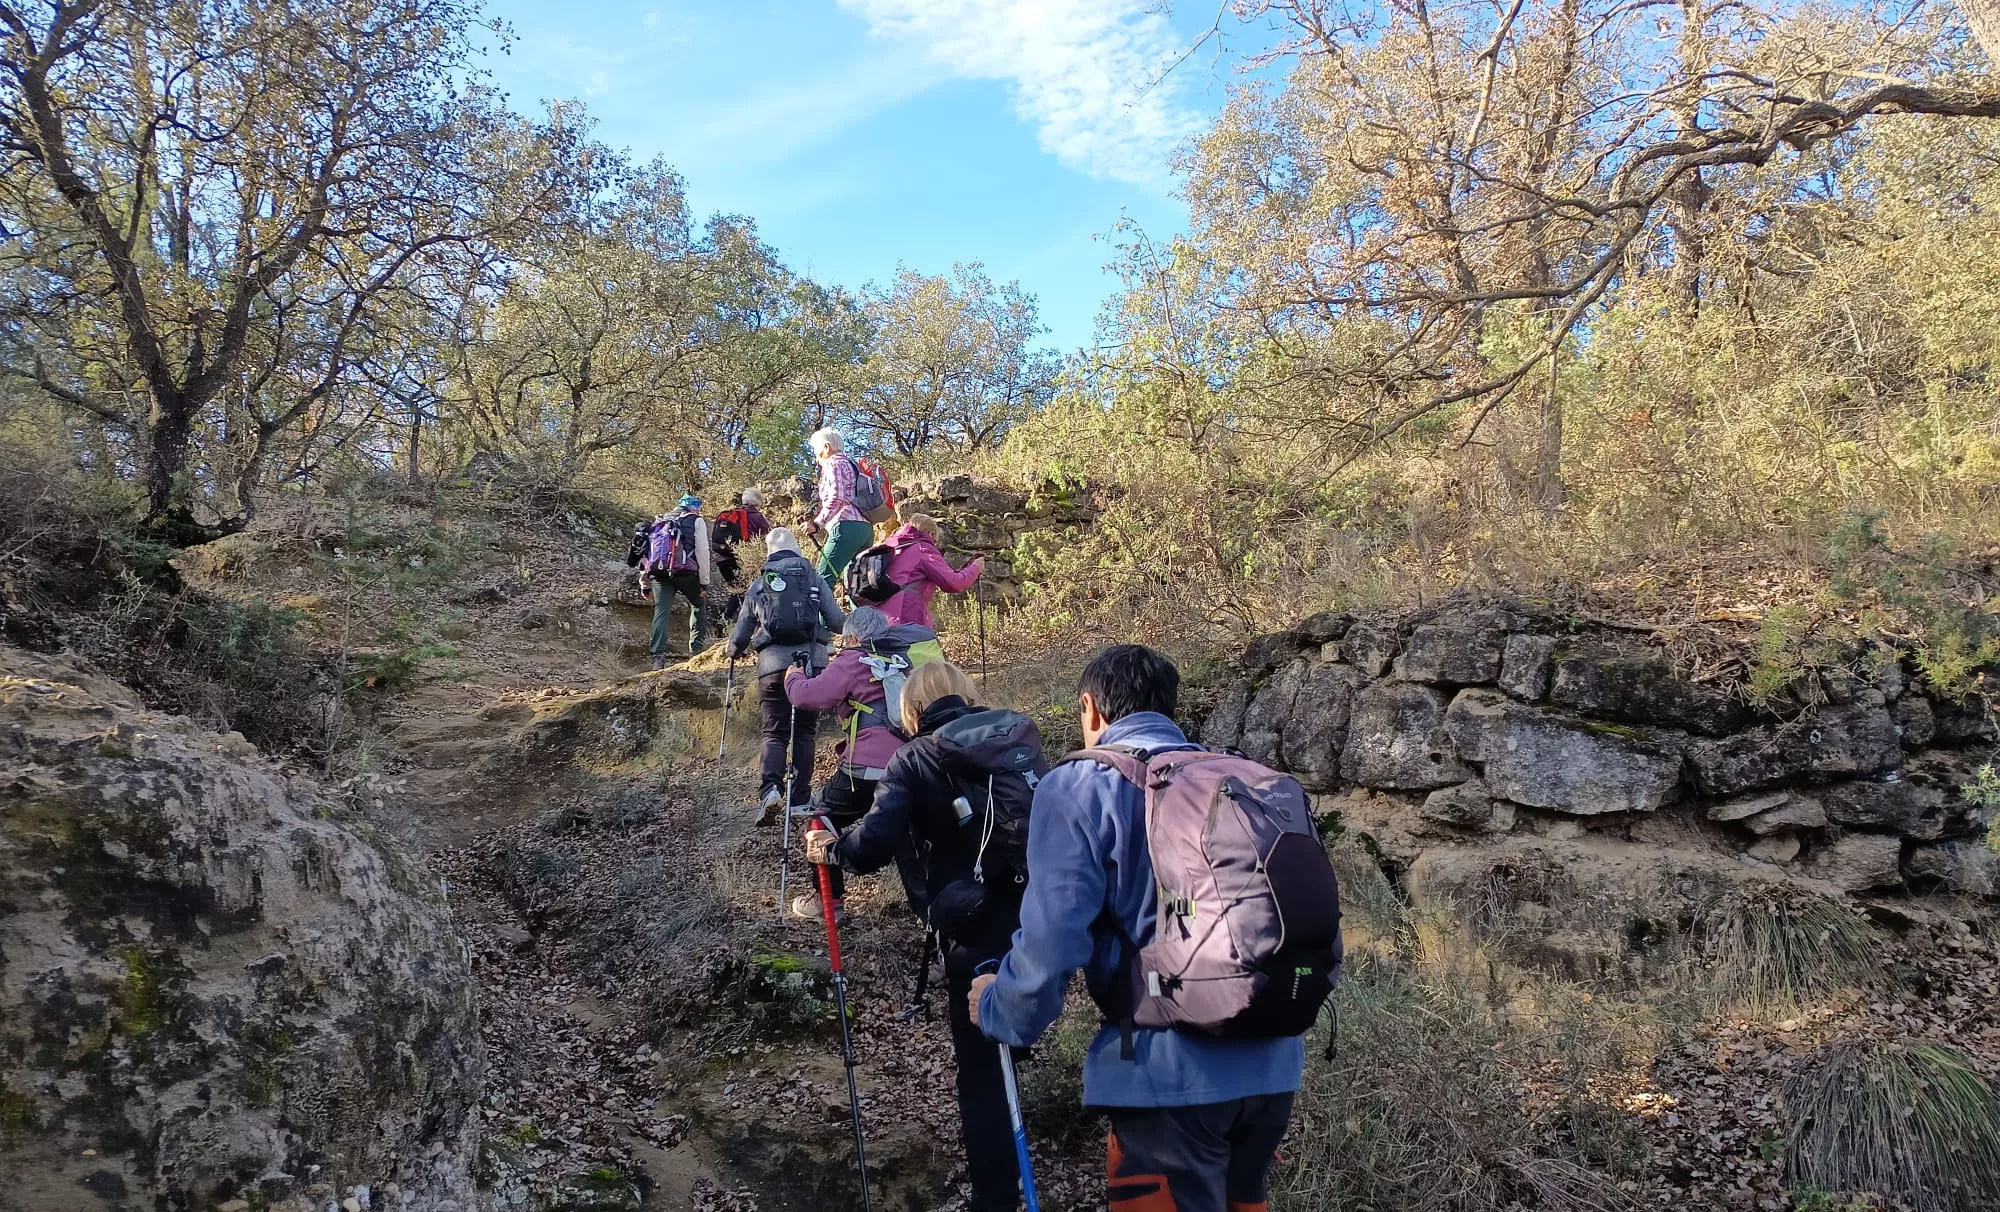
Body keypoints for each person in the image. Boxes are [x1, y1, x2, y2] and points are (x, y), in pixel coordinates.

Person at [969, 645, 1303, 1212]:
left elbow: (1052, 944)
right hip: (1273, 1064)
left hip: (1168, 1079)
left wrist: (1000, 1009)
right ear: (1169, 707)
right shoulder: (1245, 779)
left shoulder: (1078, 786)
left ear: (1091, 709)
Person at [805, 659, 1043, 1212]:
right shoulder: (1014, 740)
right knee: (1005, 1047)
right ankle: (1023, 1113)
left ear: (911, 711)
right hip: (1033, 920)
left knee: (981, 1073)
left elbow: (874, 843)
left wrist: (834, 850)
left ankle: (996, 1199)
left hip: (970, 930)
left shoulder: (915, 757)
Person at [782, 606, 933, 921]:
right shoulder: (906, 657)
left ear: (852, 636)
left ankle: (828, 902)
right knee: (911, 843)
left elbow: (807, 697)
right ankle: (933, 924)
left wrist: (793, 677)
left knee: (820, 816)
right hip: (912, 765)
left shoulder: (852, 660)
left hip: (866, 769)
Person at [726, 527, 844, 824]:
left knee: (774, 731)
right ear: (796, 550)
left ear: (769, 553)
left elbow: (741, 631)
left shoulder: (759, 583)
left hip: (772, 667)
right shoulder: (813, 578)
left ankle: (770, 792)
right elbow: (836, 620)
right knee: (804, 731)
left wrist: (734, 649)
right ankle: (800, 799)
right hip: (811, 664)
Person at [875, 513, 985, 630]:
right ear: (930, 534)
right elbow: (954, 583)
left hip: (878, 621)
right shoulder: (923, 549)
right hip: (905, 620)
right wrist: (976, 567)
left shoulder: (892, 549)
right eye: (935, 541)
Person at [640, 494, 712, 668]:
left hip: (659, 573)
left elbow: (647, 554)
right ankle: (696, 650)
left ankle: (658, 656)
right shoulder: (696, 521)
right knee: (698, 604)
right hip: (686, 573)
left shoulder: (660, 520)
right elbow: (702, 551)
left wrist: (644, 583)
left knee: (661, 612)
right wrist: (704, 582)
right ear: (695, 507)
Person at [804, 428, 873, 591]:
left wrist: (817, 523)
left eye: (816, 450)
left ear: (826, 447)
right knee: (858, 586)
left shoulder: (833, 463)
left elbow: (837, 497)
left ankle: (823, 618)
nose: (815, 455)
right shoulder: (853, 465)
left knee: (822, 582)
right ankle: (864, 617)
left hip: (846, 526)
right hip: (865, 528)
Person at [712, 488, 773, 629]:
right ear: (757, 503)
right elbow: (770, 536)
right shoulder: (756, 516)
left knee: (738, 590)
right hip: (743, 560)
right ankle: (747, 626)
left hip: (722, 559)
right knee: (750, 591)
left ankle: (725, 621)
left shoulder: (728, 515)